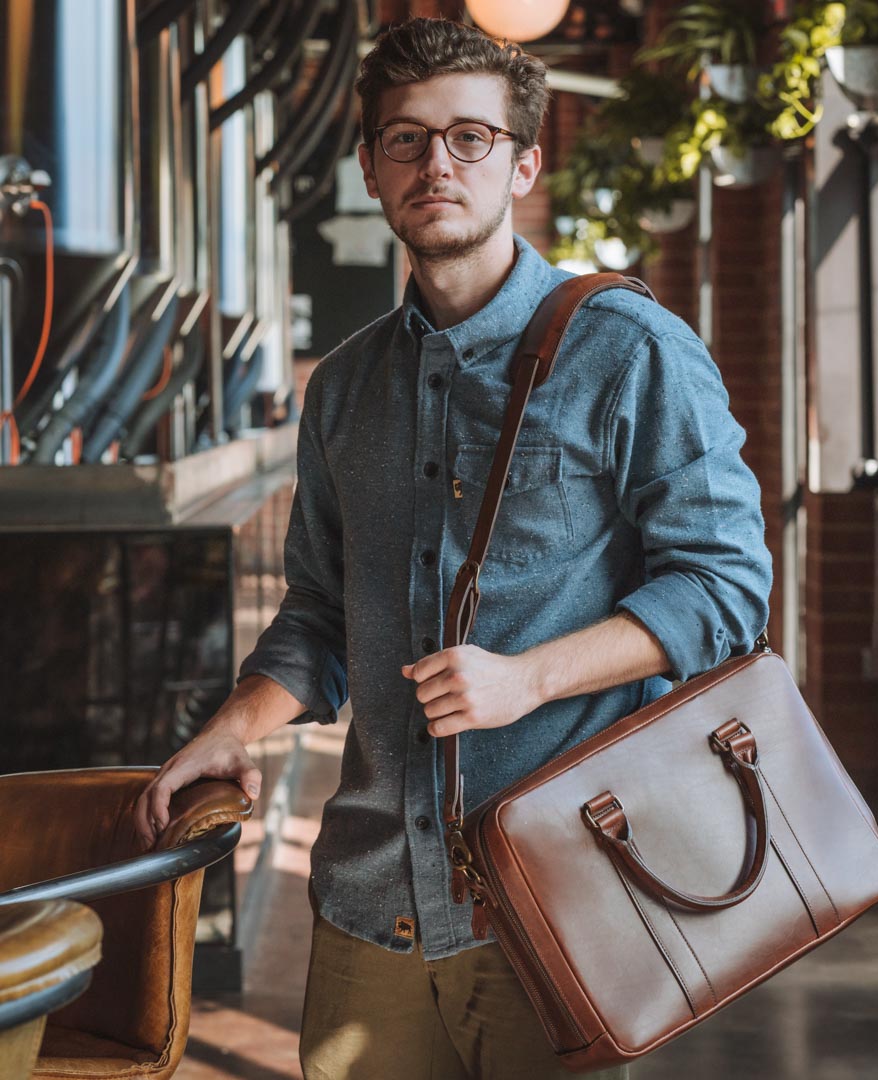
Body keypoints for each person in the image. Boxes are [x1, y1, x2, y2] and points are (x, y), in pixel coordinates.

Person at [134, 16, 772, 1080]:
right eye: (407, 139)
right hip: (373, 901)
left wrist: (527, 678)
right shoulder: (342, 388)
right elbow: (320, 611)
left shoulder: (632, 353)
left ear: (523, 164)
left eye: (470, 138)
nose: (438, 163)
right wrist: (232, 726)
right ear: (373, 170)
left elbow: (727, 589)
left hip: (574, 890)